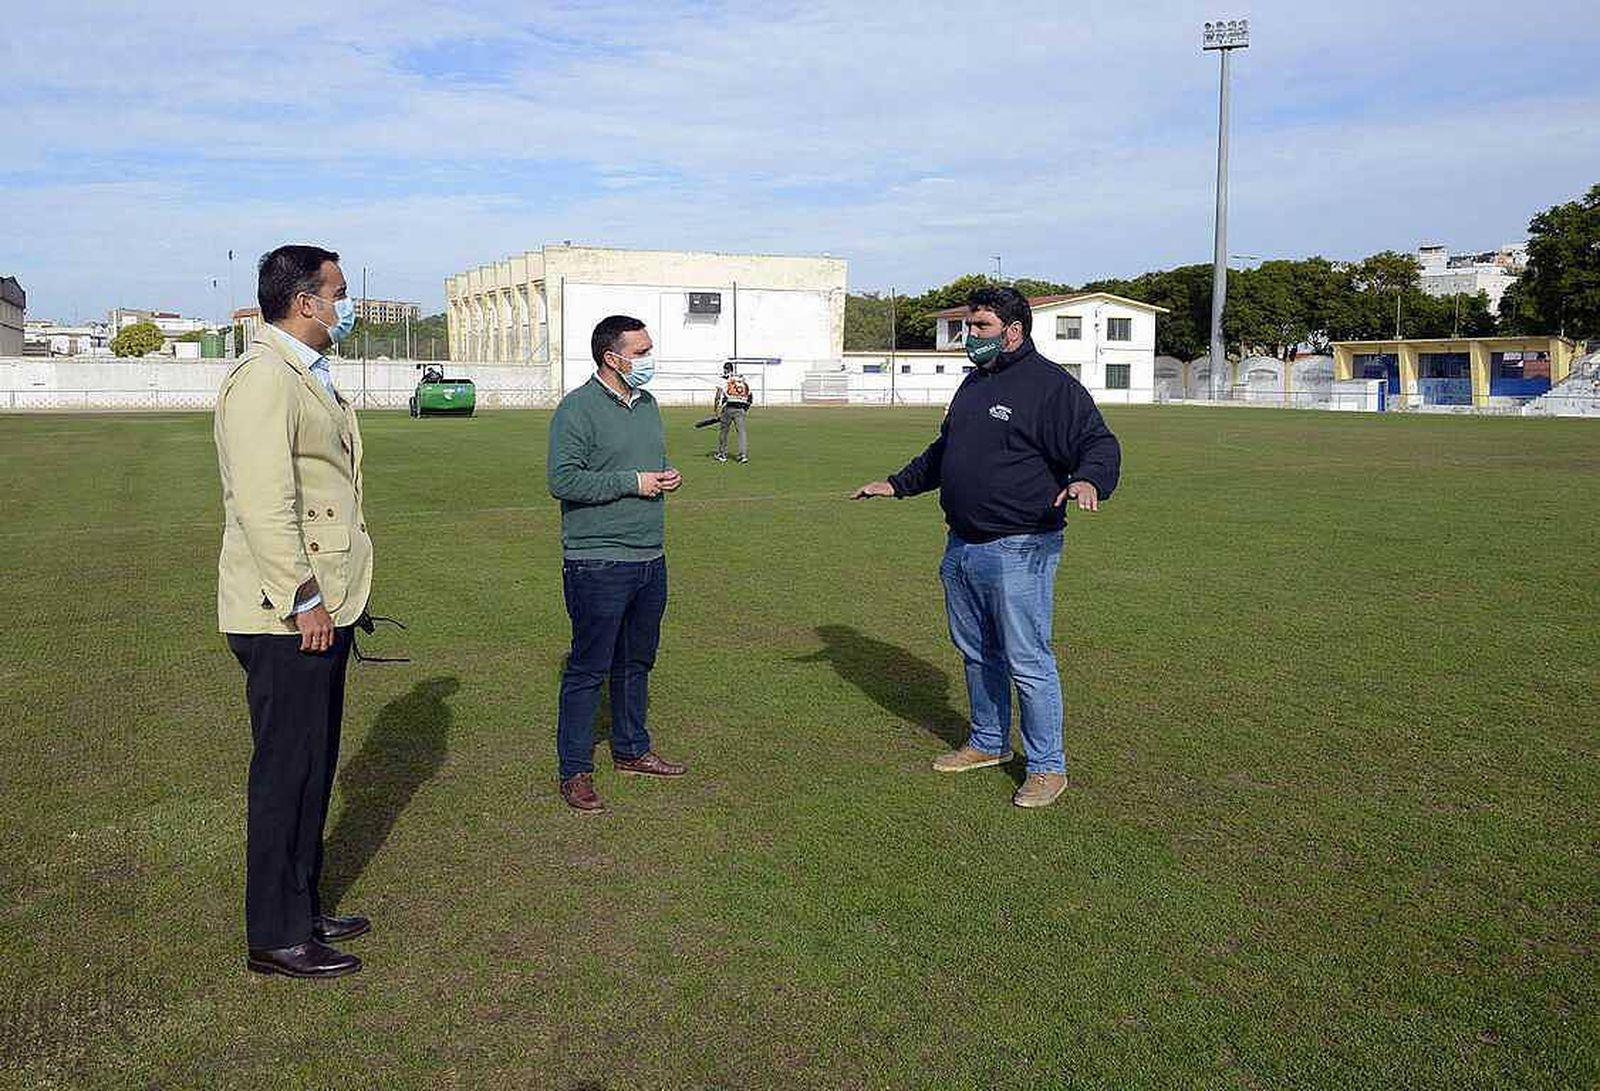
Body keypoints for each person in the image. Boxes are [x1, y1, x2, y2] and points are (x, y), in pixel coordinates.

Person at [850, 286, 1120, 809]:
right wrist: (898, 483)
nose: (969, 337)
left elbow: (1097, 444)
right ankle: (989, 742)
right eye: (968, 327)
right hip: (963, 546)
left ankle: (1046, 767)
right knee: (977, 654)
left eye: (980, 328)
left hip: (1020, 548)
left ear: (1013, 331)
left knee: (1027, 659)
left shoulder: (1051, 387)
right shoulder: (974, 385)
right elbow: (946, 450)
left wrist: (1089, 480)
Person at [215, 245, 375, 977]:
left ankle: (302, 903)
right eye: (337, 294)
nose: (343, 307)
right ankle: (275, 934)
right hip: (284, 613)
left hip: (320, 605)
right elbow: (263, 503)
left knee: (314, 764)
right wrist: (304, 597)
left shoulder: (305, 375)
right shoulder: (263, 378)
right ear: (305, 301)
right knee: (286, 771)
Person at [548, 315, 690, 813]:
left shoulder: (647, 404)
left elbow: (643, 467)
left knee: (637, 662)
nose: (650, 359)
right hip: (597, 562)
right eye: (642, 351)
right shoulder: (577, 409)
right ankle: (575, 771)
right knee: (589, 668)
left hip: (651, 557)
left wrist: (664, 477)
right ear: (613, 358)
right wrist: (633, 481)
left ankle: (632, 750)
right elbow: (563, 481)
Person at [713, 360, 753, 463]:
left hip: (729, 407)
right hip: (741, 408)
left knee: (724, 431)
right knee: (741, 433)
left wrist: (716, 409)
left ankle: (722, 454)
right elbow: (750, 395)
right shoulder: (741, 379)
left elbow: (718, 395)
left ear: (725, 369)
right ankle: (742, 455)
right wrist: (746, 408)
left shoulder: (724, 379)